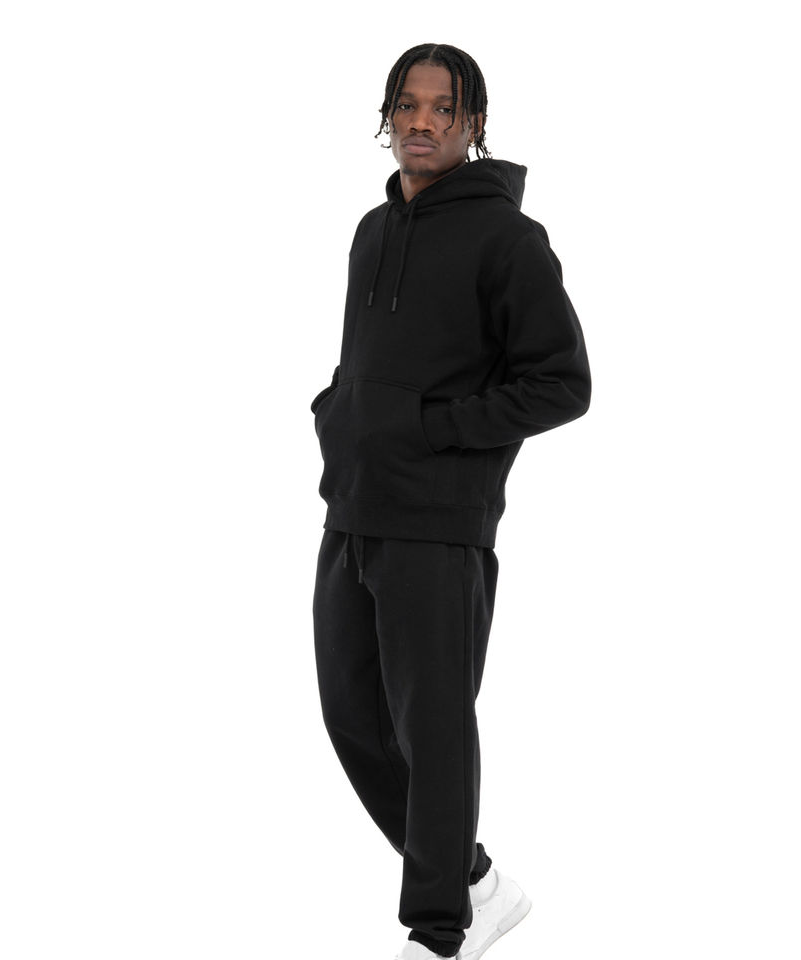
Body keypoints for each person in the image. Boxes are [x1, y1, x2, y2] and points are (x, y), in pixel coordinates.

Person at [310, 43, 591, 960]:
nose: (422, 122)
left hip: (438, 523)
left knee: (431, 732)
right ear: (386, 116)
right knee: (353, 720)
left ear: (474, 124)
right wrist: (339, 416)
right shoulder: (372, 229)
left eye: (444, 108)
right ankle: (473, 880)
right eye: (408, 104)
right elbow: (364, 361)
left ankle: (439, 929)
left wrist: (433, 430)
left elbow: (563, 384)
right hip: (352, 509)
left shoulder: (509, 240)